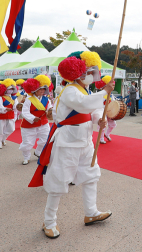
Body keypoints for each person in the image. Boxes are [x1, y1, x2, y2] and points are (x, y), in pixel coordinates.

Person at [28, 51, 113, 239]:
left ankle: (91, 212)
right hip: (67, 142)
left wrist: (99, 119)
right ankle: (48, 222)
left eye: (94, 71)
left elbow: (94, 109)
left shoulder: (87, 91)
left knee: (91, 176)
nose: (93, 74)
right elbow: (83, 104)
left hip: (85, 141)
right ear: (80, 71)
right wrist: (104, 92)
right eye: (90, 71)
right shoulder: (70, 90)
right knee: (59, 181)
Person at [20, 75, 53, 165]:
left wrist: (50, 112)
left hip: (43, 123)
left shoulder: (47, 99)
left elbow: (50, 109)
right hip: (29, 124)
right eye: (40, 89)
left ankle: (38, 152)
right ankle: (26, 157)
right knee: (27, 143)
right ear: (34, 89)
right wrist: (33, 118)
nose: (42, 91)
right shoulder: (28, 100)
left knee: (45, 139)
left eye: (43, 89)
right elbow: (25, 112)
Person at [0, 83, 17, 149]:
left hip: (10, 115)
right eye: (9, 89)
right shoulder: (0, 98)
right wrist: (5, 108)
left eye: (12, 89)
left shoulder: (14, 98)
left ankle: (3, 139)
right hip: (0, 116)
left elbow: (16, 106)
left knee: (11, 129)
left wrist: (19, 106)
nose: (11, 90)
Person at [96, 76, 116, 143]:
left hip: (109, 112)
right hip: (102, 111)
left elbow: (114, 102)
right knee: (103, 125)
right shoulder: (101, 94)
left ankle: (107, 134)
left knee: (113, 124)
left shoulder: (111, 94)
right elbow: (98, 104)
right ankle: (101, 138)